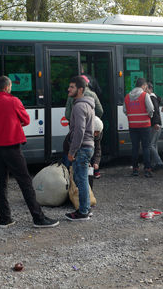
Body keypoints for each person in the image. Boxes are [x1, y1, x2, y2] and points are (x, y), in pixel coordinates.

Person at [0, 76, 59, 228]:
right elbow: (26, 120)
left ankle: (5, 218)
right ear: (7, 87)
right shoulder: (13, 101)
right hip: (12, 146)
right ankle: (38, 217)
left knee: (1, 183)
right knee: (25, 182)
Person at [65, 76, 96, 221]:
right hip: (86, 147)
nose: (69, 89)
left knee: (81, 179)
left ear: (80, 89)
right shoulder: (87, 105)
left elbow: (79, 131)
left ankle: (83, 211)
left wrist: (72, 151)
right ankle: (85, 208)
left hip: (82, 148)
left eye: (72, 87)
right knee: (80, 178)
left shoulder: (78, 106)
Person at [123, 77, 154, 177]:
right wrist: (149, 115)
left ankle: (135, 169)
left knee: (135, 148)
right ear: (144, 85)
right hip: (145, 125)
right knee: (146, 147)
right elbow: (151, 108)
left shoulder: (127, 96)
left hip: (132, 125)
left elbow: (124, 110)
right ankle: (147, 169)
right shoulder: (145, 95)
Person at [147, 83, 163, 171]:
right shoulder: (155, 97)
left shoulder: (151, 98)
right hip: (156, 124)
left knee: (150, 145)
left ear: (150, 89)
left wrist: (155, 123)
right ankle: (155, 164)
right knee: (154, 144)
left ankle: (159, 162)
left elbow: (155, 112)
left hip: (154, 124)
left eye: (146, 89)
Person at [89, 116, 103, 185]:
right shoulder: (83, 133)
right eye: (94, 132)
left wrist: (96, 163)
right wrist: (86, 161)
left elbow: (98, 149)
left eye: (98, 133)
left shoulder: (98, 135)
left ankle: (95, 170)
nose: (95, 135)